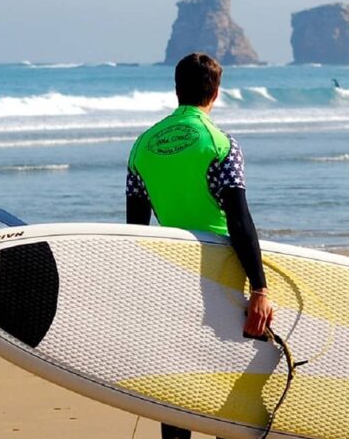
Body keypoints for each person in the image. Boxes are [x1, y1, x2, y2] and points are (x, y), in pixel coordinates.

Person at [125, 52, 274, 439]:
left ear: (176, 89)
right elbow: (239, 220)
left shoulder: (142, 146)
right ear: (216, 92)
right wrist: (260, 288)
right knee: (237, 373)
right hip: (224, 270)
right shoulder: (221, 144)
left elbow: (136, 231)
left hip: (171, 271)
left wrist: (139, 290)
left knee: (178, 377)